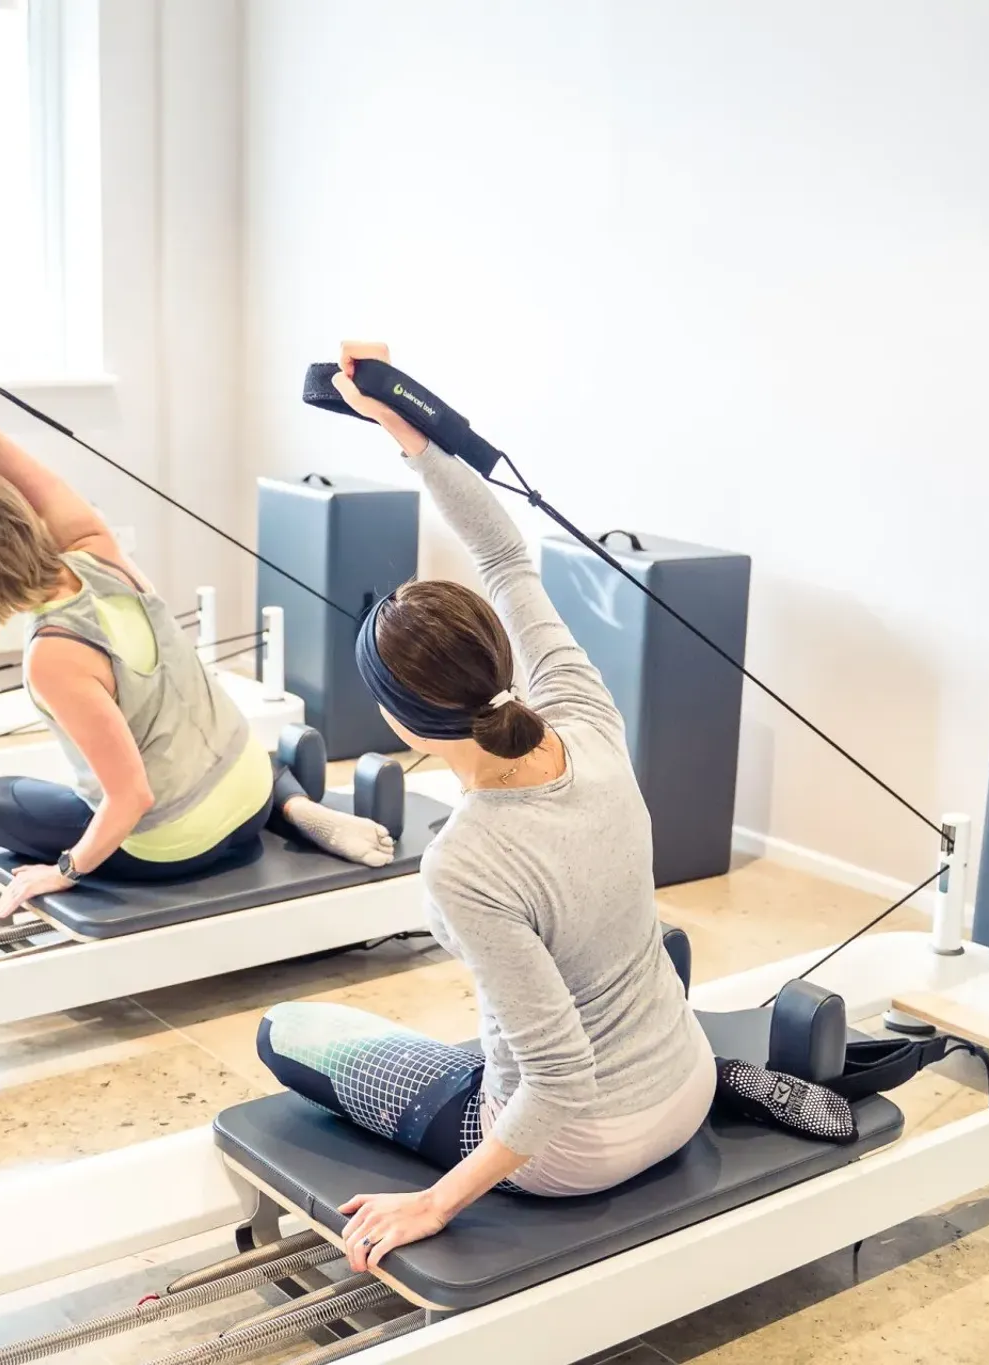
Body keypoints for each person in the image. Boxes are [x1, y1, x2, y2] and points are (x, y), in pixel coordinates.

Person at [258, 342, 717, 1275]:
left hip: (575, 1150)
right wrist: (406, 432)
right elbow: (504, 553)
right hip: (688, 1086)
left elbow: (556, 1082)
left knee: (287, 1033)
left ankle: (462, 1132)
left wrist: (435, 1202)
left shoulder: (466, 861)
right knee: (592, 968)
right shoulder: (583, 711)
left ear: (401, 720)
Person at [0, 293, 396, 919]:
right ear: (15, 513)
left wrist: (64, 870)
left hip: (177, 847)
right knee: (198, 746)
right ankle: (294, 803)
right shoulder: (98, 549)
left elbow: (132, 798)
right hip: (249, 792)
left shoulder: (54, 658)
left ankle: (273, 808)